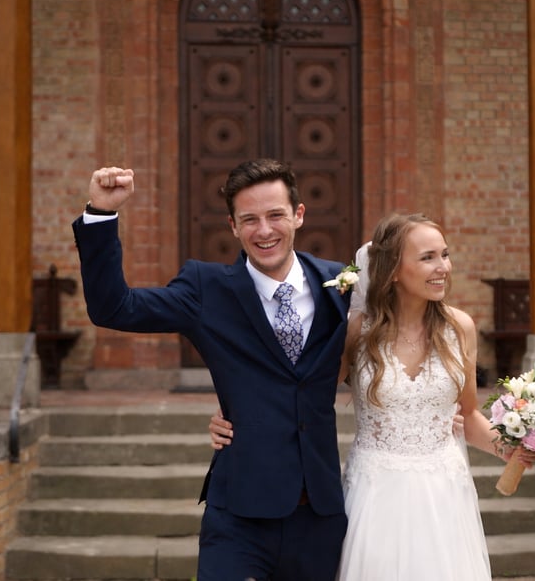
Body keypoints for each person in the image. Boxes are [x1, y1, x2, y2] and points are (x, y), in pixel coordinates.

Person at [210, 213, 535, 579]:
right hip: (376, 493)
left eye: (444, 255)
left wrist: (511, 447)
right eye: (427, 257)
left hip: (445, 493)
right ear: (393, 269)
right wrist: (232, 416)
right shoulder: (357, 332)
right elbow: (300, 398)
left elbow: (470, 415)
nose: (443, 267)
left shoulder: (460, 327)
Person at [72, 159, 351, 581]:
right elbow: (114, 307)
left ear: (298, 214)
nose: (264, 230)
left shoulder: (341, 283)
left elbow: (402, 332)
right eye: (249, 219)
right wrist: (101, 213)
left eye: (275, 215)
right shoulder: (205, 289)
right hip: (239, 516)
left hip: (320, 515)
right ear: (233, 226)